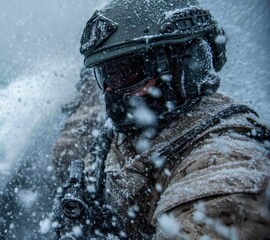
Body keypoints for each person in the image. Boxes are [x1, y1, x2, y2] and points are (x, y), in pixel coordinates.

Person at [53, 0, 270, 239]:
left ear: (183, 63)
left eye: (125, 71)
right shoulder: (142, 127)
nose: (110, 92)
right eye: (105, 75)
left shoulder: (226, 172)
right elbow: (72, 155)